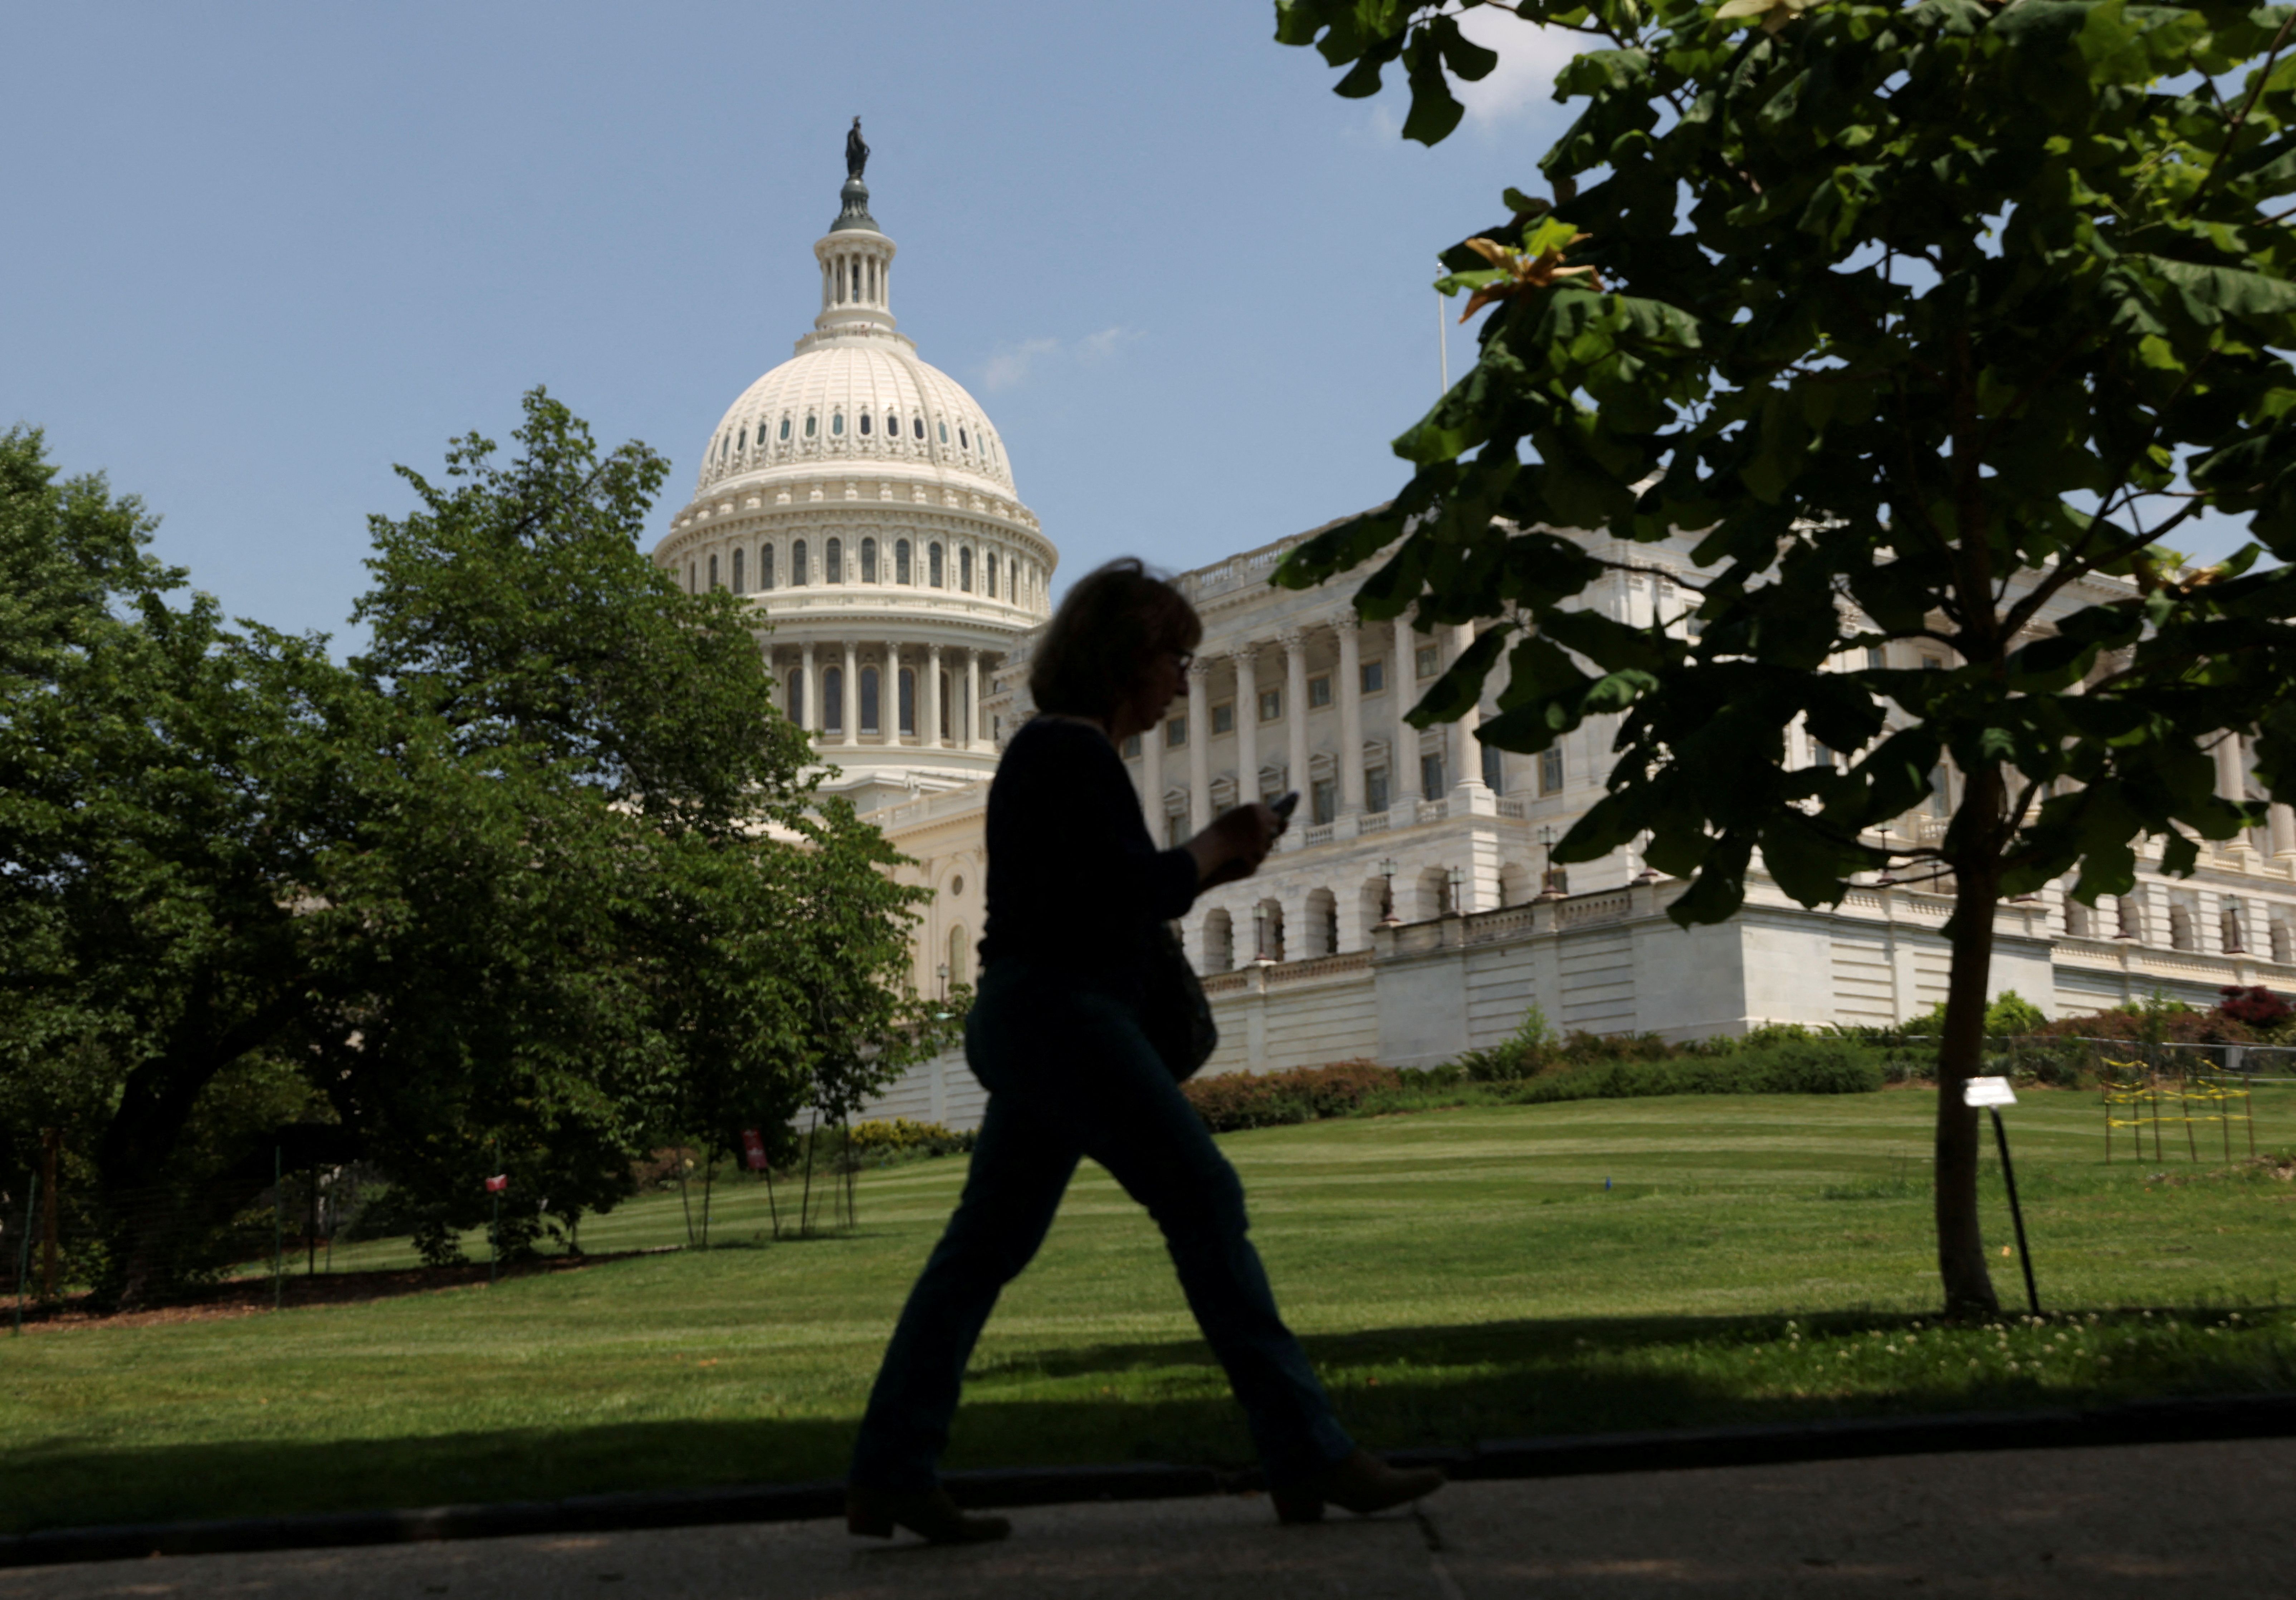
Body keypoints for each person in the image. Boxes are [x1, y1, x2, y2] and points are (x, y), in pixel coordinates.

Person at [845, 558, 1445, 1543]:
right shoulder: (1066, 754)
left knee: (981, 1251)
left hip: (1041, 1017)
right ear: (1123, 656)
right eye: (1172, 655)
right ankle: (1307, 1448)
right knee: (1202, 1198)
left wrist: (1204, 862)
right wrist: (1215, 848)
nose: (1180, 676)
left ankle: (891, 1469)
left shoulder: (1056, 755)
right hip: (1062, 1017)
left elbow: (1098, 899)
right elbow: (1131, 893)